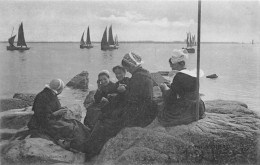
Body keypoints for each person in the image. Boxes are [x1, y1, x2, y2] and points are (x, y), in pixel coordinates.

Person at [80, 52, 158, 159]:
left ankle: (89, 149)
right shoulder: (144, 74)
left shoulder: (138, 77)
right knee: (107, 116)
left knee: (106, 121)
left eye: (127, 68)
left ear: (131, 66)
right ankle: (92, 147)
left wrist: (123, 92)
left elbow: (133, 99)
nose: (128, 70)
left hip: (139, 114)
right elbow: (137, 96)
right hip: (145, 110)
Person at [27, 79, 90, 152]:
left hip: (51, 120)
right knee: (72, 127)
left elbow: (51, 109)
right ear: (58, 89)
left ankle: (84, 144)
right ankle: (72, 145)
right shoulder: (43, 97)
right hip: (43, 124)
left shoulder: (50, 94)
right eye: (61, 89)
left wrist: (61, 109)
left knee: (76, 123)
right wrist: (57, 112)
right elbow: (43, 118)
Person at [158, 49, 205, 127]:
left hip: (187, 109)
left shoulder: (179, 76)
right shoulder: (192, 74)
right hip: (198, 107)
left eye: (173, 64)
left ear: (182, 63)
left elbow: (170, 98)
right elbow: (184, 89)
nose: (171, 66)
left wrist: (164, 88)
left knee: (162, 114)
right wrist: (172, 86)